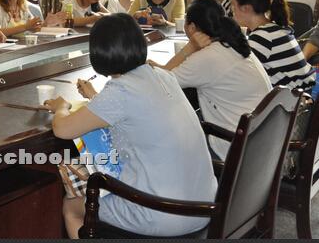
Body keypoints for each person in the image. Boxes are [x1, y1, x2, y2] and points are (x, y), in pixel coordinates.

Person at [44, 14, 216, 238]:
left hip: (163, 213)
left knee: (72, 207)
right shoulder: (162, 75)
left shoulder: (120, 90)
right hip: (203, 206)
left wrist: (61, 107)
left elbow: (62, 129)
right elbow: (134, 113)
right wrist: (95, 97)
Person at [149, 0, 271, 159]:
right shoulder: (230, 44)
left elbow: (160, 84)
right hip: (260, 142)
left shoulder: (209, 57)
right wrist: (161, 68)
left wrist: (190, 47)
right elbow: (169, 75)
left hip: (234, 149)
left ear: (191, 27)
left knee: (163, 139)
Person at [231, 0, 315, 92]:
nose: (232, 12)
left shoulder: (262, 38)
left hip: (294, 99)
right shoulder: (273, 29)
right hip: (303, 93)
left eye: (233, 6)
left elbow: (237, 72)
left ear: (246, 8)